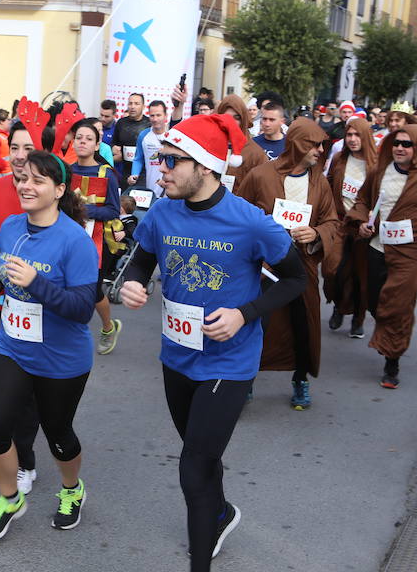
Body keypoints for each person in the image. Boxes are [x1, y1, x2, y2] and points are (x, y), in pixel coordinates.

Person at [119, 113, 306, 570]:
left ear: (204, 166)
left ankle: (200, 557)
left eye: (170, 160)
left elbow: (295, 279)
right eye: (160, 158)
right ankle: (220, 514)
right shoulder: (162, 212)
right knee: (200, 453)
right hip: (176, 356)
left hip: (229, 362)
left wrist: (245, 313)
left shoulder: (250, 222)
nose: (160, 168)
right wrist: (134, 285)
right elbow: (140, 261)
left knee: (193, 467)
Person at [0, 150, 97, 542]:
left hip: (61, 358)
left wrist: (37, 283)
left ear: (59, 190)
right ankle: (10, 498)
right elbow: (2, 270)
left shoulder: (75, 241)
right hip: (12, 346)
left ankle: (71, 489)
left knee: (58, 435)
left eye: (38, 181)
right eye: (22, 178)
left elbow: (81, 309)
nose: (26, 186)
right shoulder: (11, 226)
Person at [237, 118, 340, 410]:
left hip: (303, 263)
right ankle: (246, 380)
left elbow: (332, 222)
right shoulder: (259, 175)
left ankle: (300, 379)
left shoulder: (319, 181)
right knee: (258, 322)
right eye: (314, 144)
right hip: (265, 267)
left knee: (303, 323)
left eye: (322, 145)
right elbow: (239, 214)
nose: (320, 150)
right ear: (296, 144)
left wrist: (317, 233)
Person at [345, 124, 417, 388]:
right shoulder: (379, 172)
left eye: (407, 144)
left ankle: (392, 361)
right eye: (396, 143)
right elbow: (362, 202)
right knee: (375, 302)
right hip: (377, 247)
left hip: (410, 252)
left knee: (399, 306)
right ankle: (386, 332)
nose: (400, 148)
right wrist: (361, 222)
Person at [0, 121, 42, 495]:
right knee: (3, 383)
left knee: (28, 387)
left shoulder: (47, 192)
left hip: (37, 308)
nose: (19, 156)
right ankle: (13, 453)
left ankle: (26, 460)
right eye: (14, 147)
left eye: (27, 148)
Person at [70, 120, 122, 355]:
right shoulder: (66, 170)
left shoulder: (107, 174)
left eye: (88, 138)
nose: (82, 141)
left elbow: (113, 210)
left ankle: (108, 327)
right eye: (79, 137)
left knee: (93, 289)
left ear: (97, 145)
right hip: (68, 237)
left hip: (97, 240)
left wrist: (82, 210)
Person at [324, 118, 377, 338]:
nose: (353, 139)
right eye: (349, 135)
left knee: (361, 277)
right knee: (332, 269)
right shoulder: (339, 158)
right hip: (339, 223)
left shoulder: (376, 165)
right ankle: (338, 305)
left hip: (364, 228)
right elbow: (326, 185)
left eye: (357, 135)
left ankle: (358, 319)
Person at [214, 95, 267, 194]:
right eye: (226, 117)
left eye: (236, 117)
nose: (231, 122)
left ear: (242, 120)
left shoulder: (255, 153)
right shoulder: (209, 145)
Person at [129, 100, 169, 194]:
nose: (155, 119)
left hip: (168, 189)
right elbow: (138, 158)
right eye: (152, 115)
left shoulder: (171, 135)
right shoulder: (143, 135)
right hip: (150, 187)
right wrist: (134, 174)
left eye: (158, 115)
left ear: (165, 116)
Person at [112, 93, 151, 188]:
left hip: (144, 172)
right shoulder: (121, 123)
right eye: (130, 103)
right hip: (125, 170)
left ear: (143, 106)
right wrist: (113, 148)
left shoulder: (149, 123)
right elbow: (114, 142)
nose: (133, 107)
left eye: (136, 104)